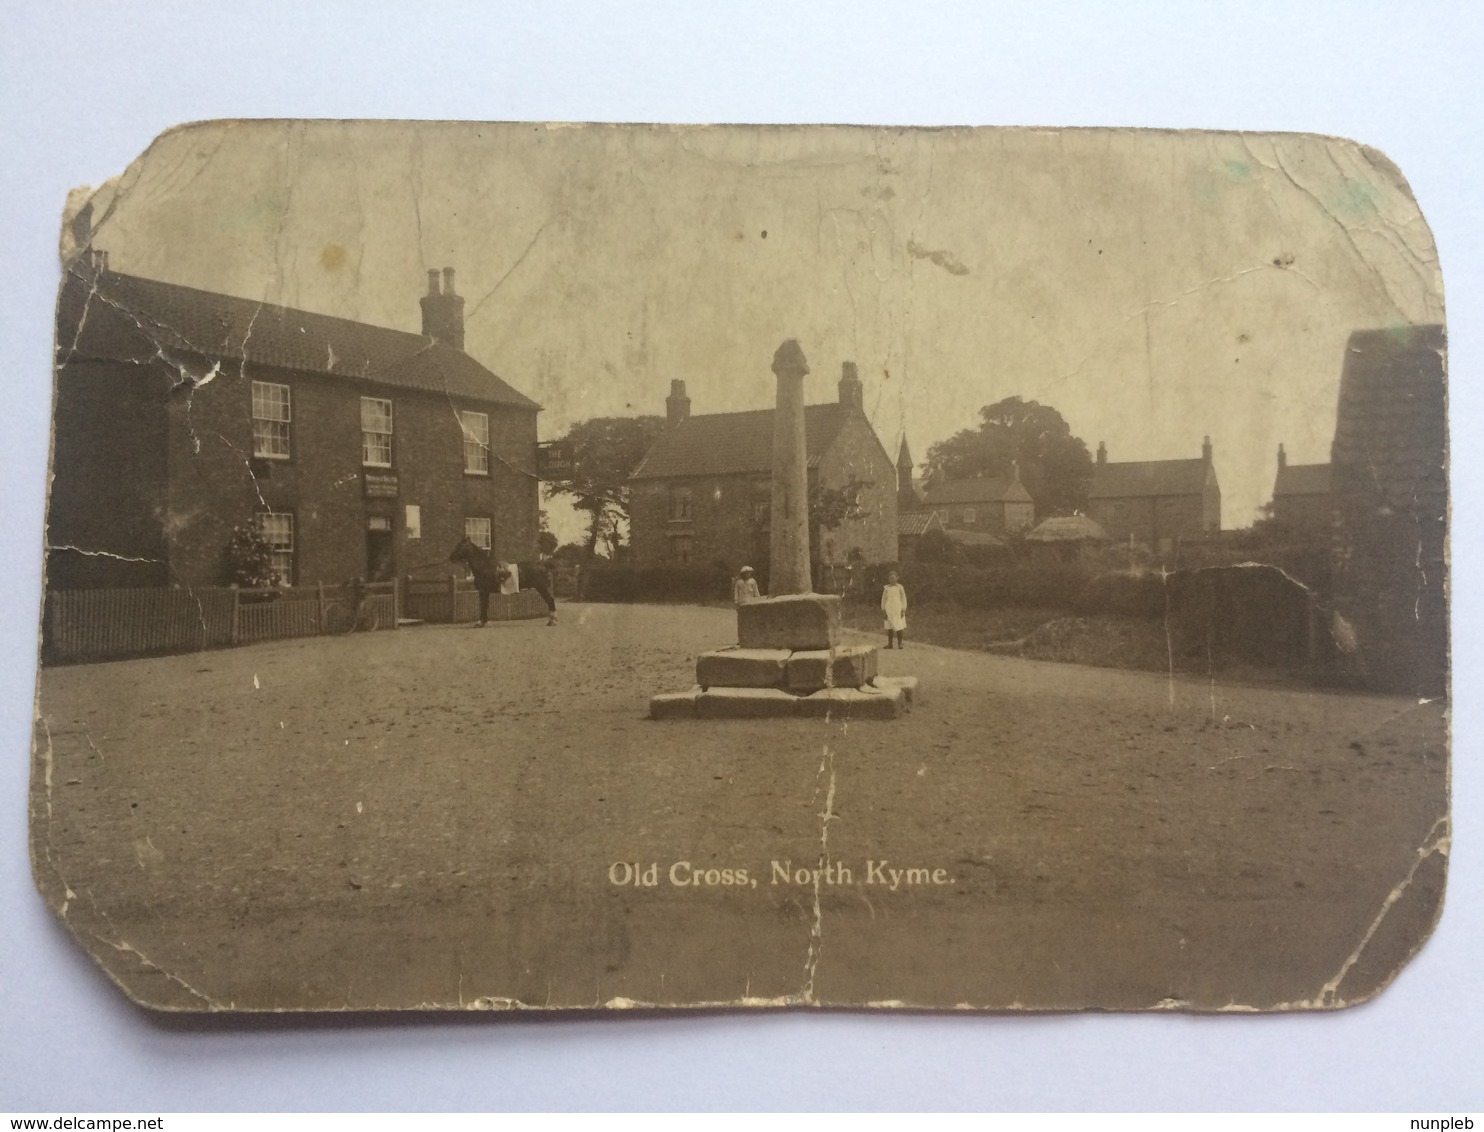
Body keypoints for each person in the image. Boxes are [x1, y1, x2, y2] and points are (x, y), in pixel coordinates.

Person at [881, 569, 907, 649]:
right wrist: (883, 610)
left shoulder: (900, 587)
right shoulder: (886, 588)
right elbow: (883, 599)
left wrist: (903, 609)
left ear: (897, 578)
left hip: (897, 609)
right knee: (890, 626)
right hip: (889, 609)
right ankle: (890, 644)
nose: (892, 580)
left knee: (899, 625)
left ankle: (900, 643)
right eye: (890, 578)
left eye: (893, 578)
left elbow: (903, 599)